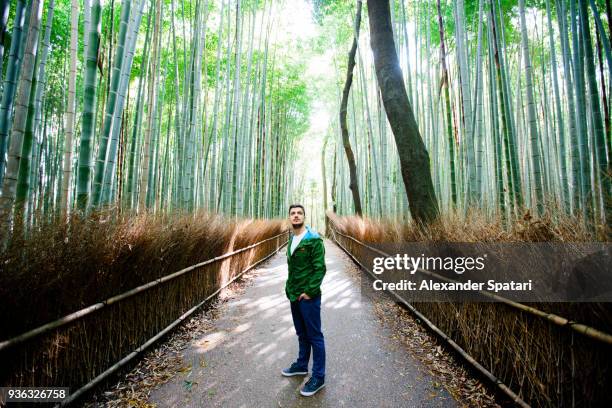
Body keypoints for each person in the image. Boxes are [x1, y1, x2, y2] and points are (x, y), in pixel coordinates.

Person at [281, 204, 327, 397]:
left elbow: (320, 268)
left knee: (315, 336)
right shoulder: (292, 239)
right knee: (302, 333)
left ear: (304, 217)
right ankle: (301, 365)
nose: (296, 216)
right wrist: (288, 288)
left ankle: (319, 377)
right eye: (293, 213)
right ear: (289, 218)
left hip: (308, 297)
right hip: (293, 295)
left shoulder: (313, 240)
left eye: (299, 213)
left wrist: (309, 291)